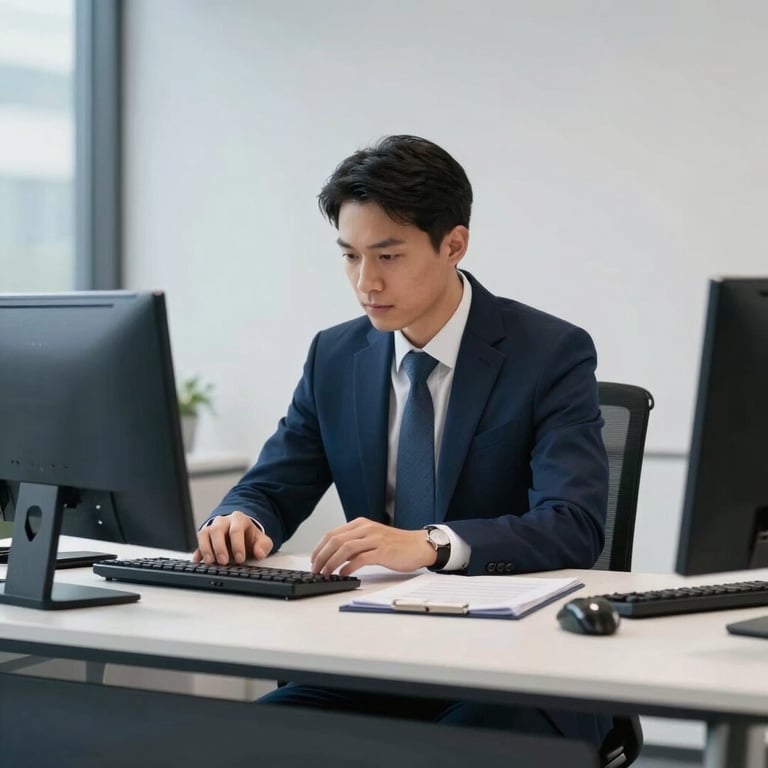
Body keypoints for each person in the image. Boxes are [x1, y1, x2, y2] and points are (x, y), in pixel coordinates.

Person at [194, 134, 610, 747]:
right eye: (349, 256)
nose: (366, 283)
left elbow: (573, 521)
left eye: (387, 256)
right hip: (374, 661)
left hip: (518, 668)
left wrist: (432, 545)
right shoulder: (335, 355)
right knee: (242, 743)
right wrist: (242, 518)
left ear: (454, 245)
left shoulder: (549, 353)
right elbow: (275, 484)